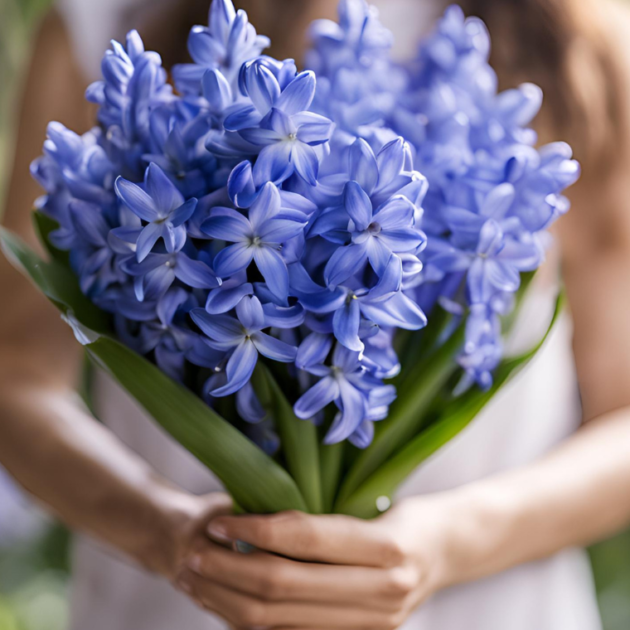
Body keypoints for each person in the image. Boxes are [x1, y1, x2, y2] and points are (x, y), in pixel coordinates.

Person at [2, 0, 630, 628]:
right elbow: (15, 378)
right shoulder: (101, 19)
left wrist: (447, 543)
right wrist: (164, 531)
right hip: (169, 602)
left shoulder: (574, 40)